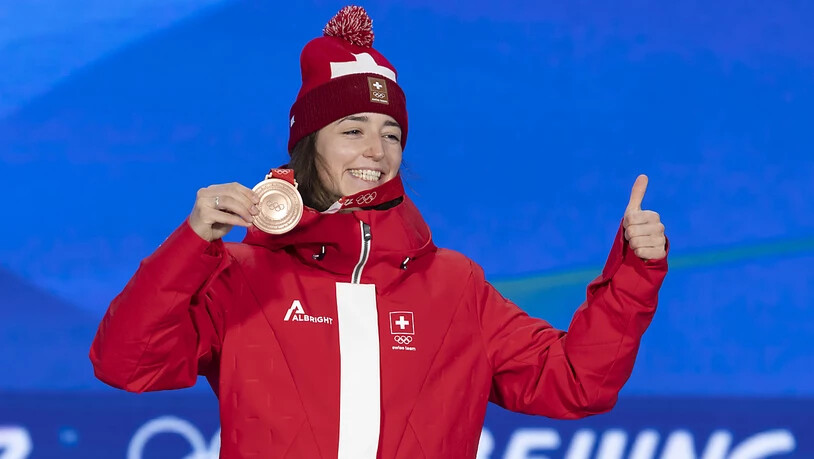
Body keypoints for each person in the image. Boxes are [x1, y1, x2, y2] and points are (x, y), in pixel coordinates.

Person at [90, 6, 668, 458]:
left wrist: (635, 274)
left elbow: (575, 382)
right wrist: (192, 244)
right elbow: (127, 363)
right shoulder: (243, 277)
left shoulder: (455, 287)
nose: (376, 150)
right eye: (352, 130)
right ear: (308, 145)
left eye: (391, 133)